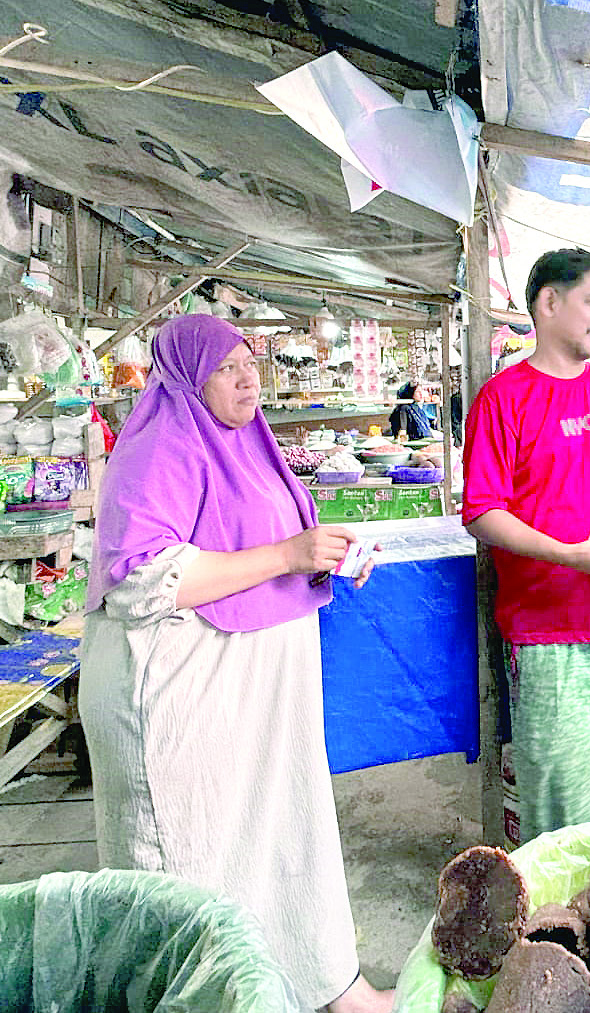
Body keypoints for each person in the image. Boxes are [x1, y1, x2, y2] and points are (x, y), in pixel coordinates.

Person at [80, 315, 391, 1013]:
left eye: (250, 360)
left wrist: (325, 552)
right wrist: (289, 555)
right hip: (182, 697)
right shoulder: (160, 444)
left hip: (252, 693)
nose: (248, 376)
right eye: (226, 367)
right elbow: (141, 579)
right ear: (189, 377)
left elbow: (268, 538)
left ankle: (322, 984)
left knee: (283, 838)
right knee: (195, 858)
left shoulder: (247, 441)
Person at [462, 248, 590, 843]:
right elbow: (482, 513)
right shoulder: (503, 398)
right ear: (549, 303)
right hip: (551, 631)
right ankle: (576, 916)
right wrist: (571, 554)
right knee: (567, 797)